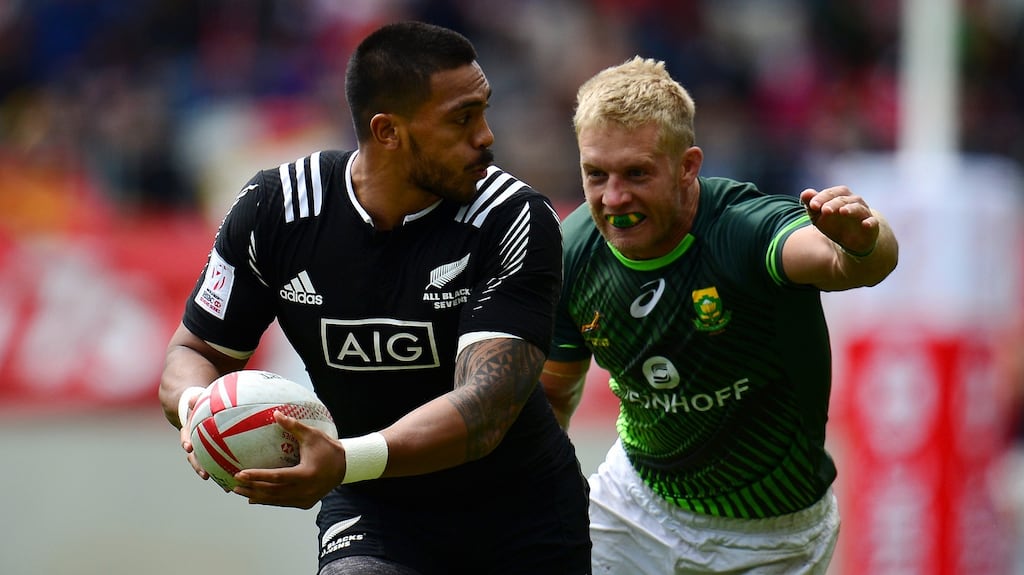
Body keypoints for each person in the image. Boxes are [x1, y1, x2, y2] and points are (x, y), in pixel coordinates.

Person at [158, 21, 591, 575]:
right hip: (373, 507)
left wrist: (344, 461)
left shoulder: (512, 216)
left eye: (483, 110)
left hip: (521, 514)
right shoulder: (276, 210)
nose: (485, 136)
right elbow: (195, 352)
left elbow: (487, 407)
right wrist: (200, 411)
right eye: (461, 118)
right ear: (388, 131)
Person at [540, 57, 899, 574]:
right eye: (596, 174)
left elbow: (850, 264)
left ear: (688, 166)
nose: (614, 198)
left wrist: (866, 238)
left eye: (637, 173)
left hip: (772, 539)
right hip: (631, 508)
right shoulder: (573, 252)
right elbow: (553, 397)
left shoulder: (743, 230)